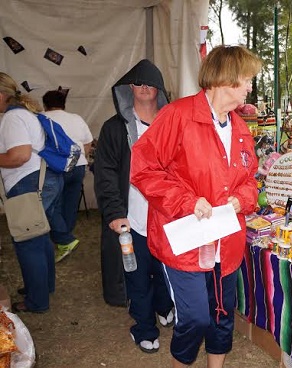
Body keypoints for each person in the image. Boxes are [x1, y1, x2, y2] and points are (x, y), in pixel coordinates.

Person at [130, 45, 261, 368]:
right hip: (185, 243)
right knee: (195, 319)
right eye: (245, 79)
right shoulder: (178, 116)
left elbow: (250, 181)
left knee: (222, 315)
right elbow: (143, 169)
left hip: (225, 243)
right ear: (224, 79)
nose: (249, 87)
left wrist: (240, 199)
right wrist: (187, 201)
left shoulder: (240, 129)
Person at [94, 59, 174, 353]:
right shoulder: (115, 129)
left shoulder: (172, 124)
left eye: (150, 83)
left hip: (167, 216)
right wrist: (115, 213)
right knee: (138, 275)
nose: (144, 88)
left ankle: (165, 307)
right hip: (134, 218)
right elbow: (104, 173)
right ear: (129, 87)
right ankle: (144, 327)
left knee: (167, 270)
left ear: (159, 89)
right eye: (138, 83)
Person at [0, 72, 63, 313]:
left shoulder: (12, 118)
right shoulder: (25, 114)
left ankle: (37, 301)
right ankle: (42, 287)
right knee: (39, 237)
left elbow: (19, 155)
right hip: (43, 179)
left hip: (26, 182)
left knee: (28, 242)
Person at [42, 90, 93, 262]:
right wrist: (81, 158)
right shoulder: (76, 118)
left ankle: (64, 238)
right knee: (70, 203)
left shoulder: (42, 118)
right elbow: (88, 141)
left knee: (53, 204)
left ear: (45, 104)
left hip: (56, 167)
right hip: (78, 165)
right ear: (64, 104)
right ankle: (67, 235)